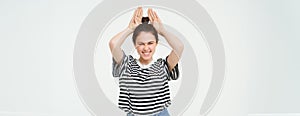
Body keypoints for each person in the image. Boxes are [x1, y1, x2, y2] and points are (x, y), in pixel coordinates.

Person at [109, 7, 184, 116]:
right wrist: (130, 29)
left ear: (156, 43)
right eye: (141, 44)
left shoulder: (162, 66)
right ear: (135, 45)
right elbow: (113, 44)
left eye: (150, 43)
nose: (146, 48)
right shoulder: (127, 64)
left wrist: (163, 31)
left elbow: (179, 47)